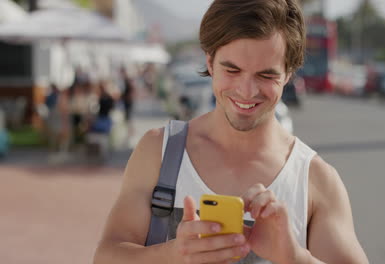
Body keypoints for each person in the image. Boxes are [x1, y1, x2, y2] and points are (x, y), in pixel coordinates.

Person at [94, 0, 369, 263]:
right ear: (210, 61)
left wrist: (296, 258)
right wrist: (171, 256)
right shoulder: (159, 152)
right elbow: (106, 257)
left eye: (266, 75)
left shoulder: (315, 181)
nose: (246, 91)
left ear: (289, 73)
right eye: (232, 70)